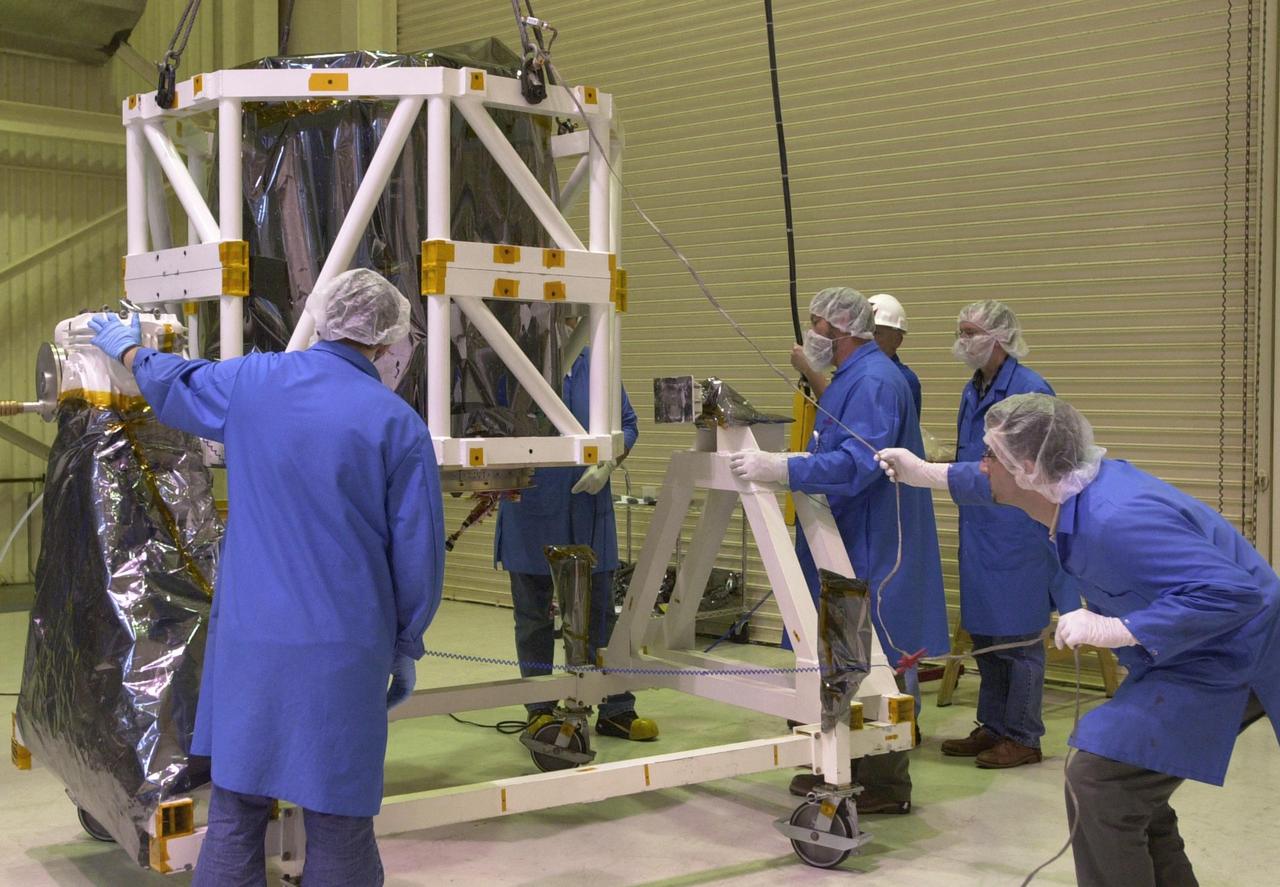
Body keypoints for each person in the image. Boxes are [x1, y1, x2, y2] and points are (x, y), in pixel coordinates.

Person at [87, 268, 445, 887]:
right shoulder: (396, 425)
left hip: (251, 644)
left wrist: (127, 347)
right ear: (389, 343)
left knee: (236, 811)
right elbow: (418, 557)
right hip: (343, 650)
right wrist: (407, 643)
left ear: (327, 320)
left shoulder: (254, 382)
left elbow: (175, 383)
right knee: (338, 822)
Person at [875, 393, 1278, 887]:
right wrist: (925, 474)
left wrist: (1121, 629)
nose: (980, 466)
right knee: (1120, 783)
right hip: (1189, 646)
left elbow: (1235, 594)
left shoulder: (1115, 518)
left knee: (1101, 781)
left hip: (1233, 650)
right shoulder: (1067, 488)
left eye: (988, 457)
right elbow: (997, 482)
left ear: (1026, 468)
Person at [731, 286, 949, 814]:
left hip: (874, 540)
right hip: (850, 535)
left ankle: (884, 784)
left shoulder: (874, 381)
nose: (811, 334)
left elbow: (857, 464)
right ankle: (845, 765)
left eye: (816, 324)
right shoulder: (855, 378)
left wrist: (784, 467)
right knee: (844, 655)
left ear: (841, 329)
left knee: (875, 661)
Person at [493, 337, 657, 742]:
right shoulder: (515, 363)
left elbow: (629, 424)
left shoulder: (598, 366)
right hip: (530, 508)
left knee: (601, 612)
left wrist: (608, 463)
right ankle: (540, 710)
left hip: (588, 509)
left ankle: (617, 706)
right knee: (533, 617)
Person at [939, 299, 1072, 769]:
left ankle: (1023, 735)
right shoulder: (971, 391)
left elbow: (1049, 464)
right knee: (986, 634)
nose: (963, 340)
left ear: (998, 337)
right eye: (961, 331)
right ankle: (993, 726)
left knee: (1017, 638)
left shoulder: (1030, 391)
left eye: (971, 331)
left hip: (1017, 530)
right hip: (979, 527)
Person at [867, 293, 921, 419]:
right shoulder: (855, 372)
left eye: (876, 333)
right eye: (865, 331)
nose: (868, 338)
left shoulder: (904, 380)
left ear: (897, 340)